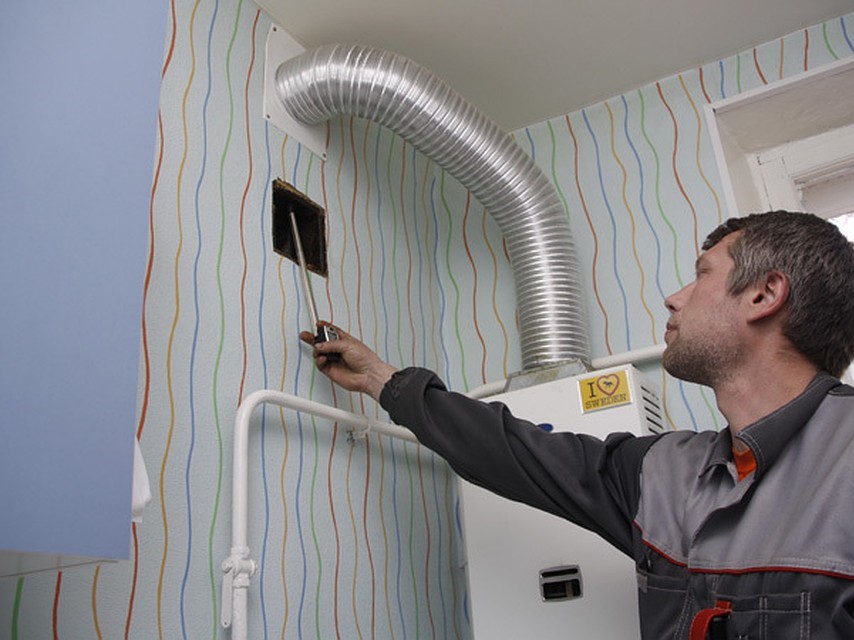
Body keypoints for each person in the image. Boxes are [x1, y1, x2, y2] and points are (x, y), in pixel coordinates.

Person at [300, 210, 854, 639]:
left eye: (702, 274)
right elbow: (514, 451)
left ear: (763, 294)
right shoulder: (666, 471)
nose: (674, 298)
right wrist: (380, 379)